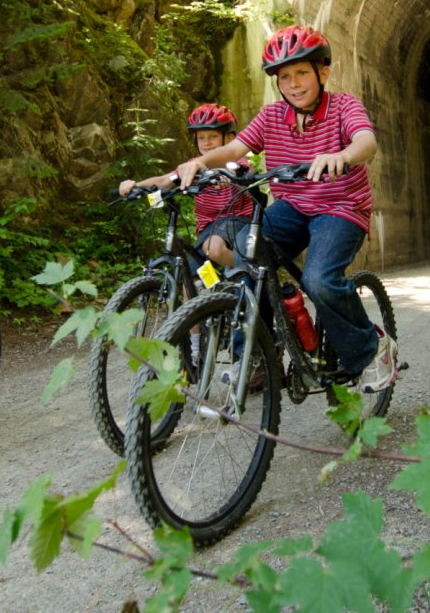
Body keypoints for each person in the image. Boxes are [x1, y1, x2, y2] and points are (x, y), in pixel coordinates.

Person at [174, 24, 398, 392]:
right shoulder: (271, 116)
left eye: (301, 73)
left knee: (319, 280)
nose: (293, 84)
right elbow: (233, 151)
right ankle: (265, 355)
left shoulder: (344, 106)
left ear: (322, 72)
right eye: (285, 77)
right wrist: (201, 163)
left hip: (340, 208)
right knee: (248, 251)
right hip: (292, 206)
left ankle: (373, 349)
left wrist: (341, 155)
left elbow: (366, 141)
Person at [119, 103, 253, 268]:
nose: (206, 143)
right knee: (190, 275)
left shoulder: (236, 162)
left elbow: (244, 176)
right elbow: (164, 180)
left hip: (237, 221)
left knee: (214, 249)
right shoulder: (193, 166)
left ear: (230, 139)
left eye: (213, 136)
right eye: (201, 137)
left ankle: (247, 270)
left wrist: (229, 176)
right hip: (207, 227)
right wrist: (135, 186)